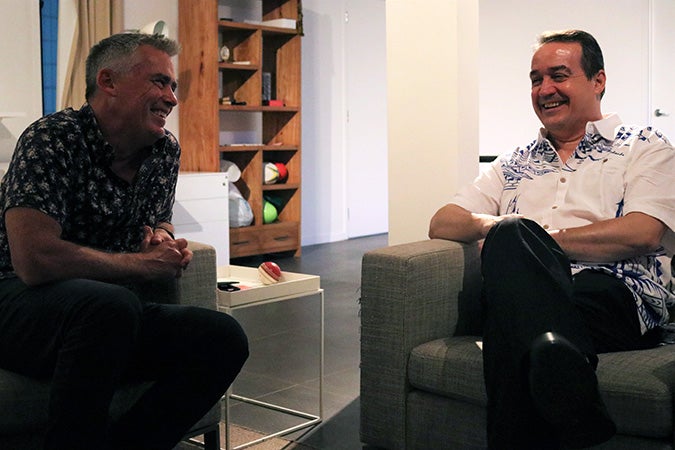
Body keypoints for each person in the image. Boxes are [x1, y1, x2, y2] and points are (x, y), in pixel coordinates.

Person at [0, 33, 249, 450]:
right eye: (159, 82)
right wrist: (141, 265)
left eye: (173, 87)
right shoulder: (51, 139)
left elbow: (158, 220)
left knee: (222, 337)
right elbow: (34, 260)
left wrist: (163, 240)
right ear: (108, 82)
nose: (171, 98)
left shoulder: (163, 152)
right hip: (17, 301)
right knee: (109, 305)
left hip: (110, 318)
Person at [429, 29, 675, 449]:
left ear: (598, 80)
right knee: (509, 244)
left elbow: (642, 231)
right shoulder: (514, 161)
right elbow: (444, 221)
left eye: (558, 75)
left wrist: (532, 240)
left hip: (616, 293)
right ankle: (570, 388)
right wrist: (502, 230)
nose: (545, 90)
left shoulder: (643, 147)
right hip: (528, 291)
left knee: (508, 317)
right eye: (535, 79)